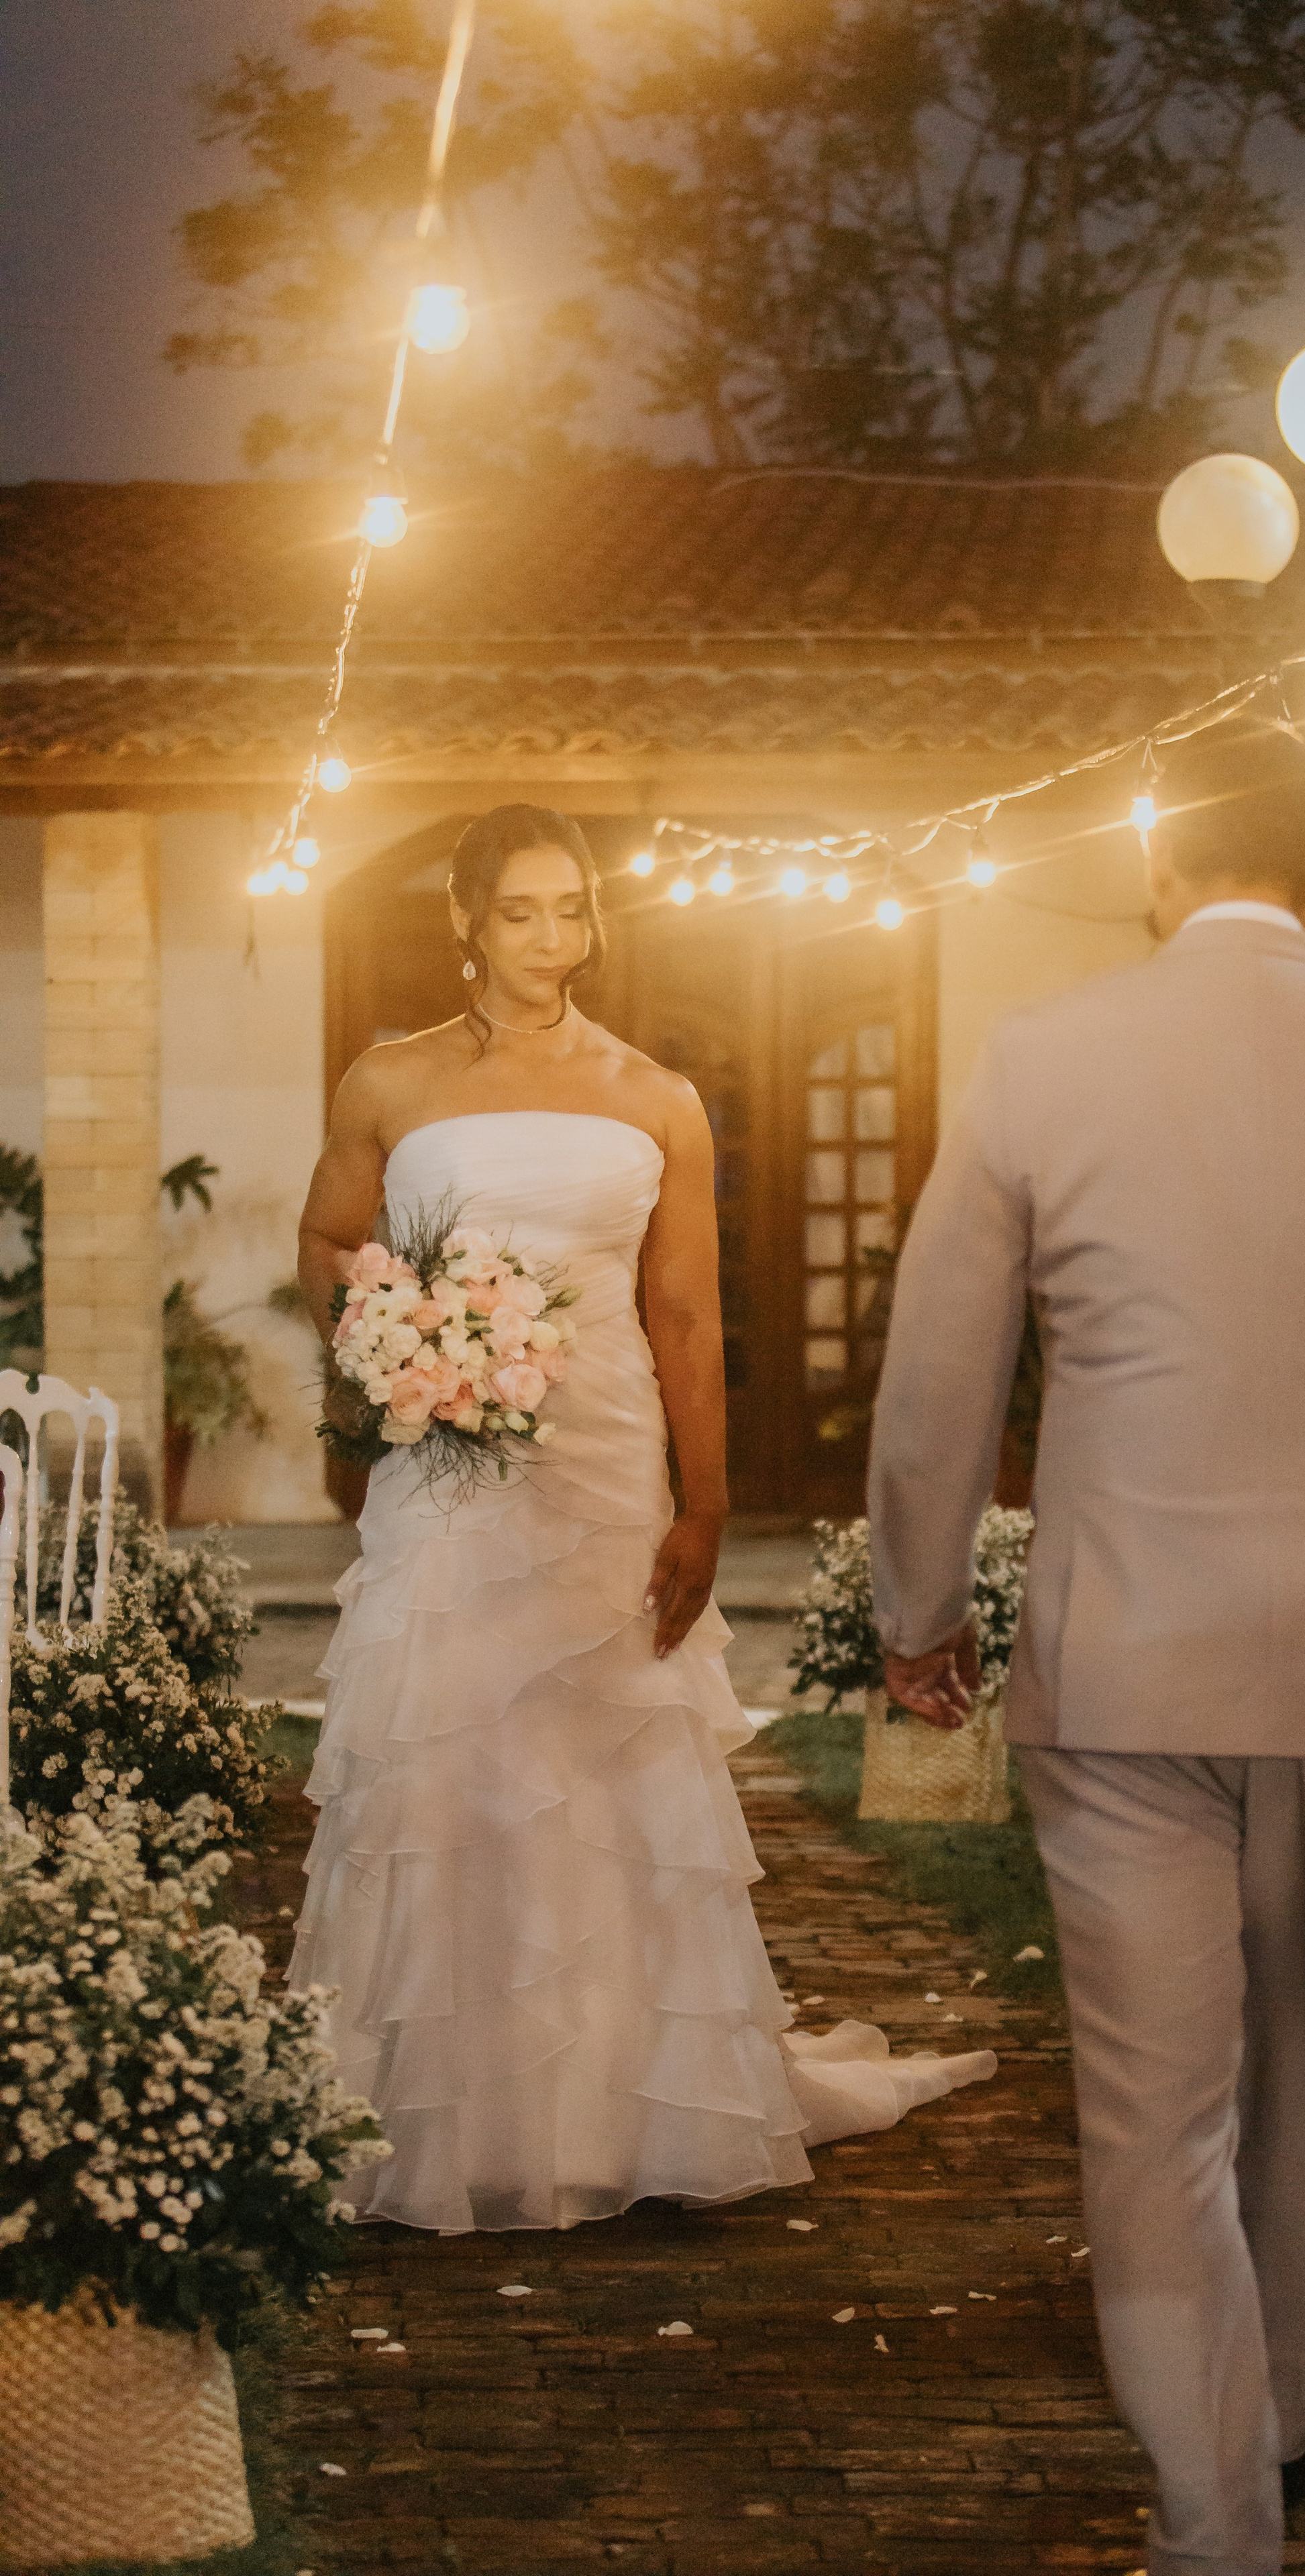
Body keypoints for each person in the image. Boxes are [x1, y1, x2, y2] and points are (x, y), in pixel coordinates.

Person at [866, 720, 1305, 2574]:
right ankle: (1302, 2399)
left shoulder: (1041, 1060)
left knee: (1155, 2108)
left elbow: (940, 1377)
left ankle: (1216, 2517)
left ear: (1158, 867)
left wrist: (917, 1616)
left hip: (1122, 1670)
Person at [290, 802, 994, 2232]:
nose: (551, 938)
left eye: (571, 910)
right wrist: (389, 1341)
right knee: (447, 1750)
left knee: (602, 1755)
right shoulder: (388, 1080)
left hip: (606, 1460)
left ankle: (619, 2089)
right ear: (467, 923)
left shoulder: (656, 1093)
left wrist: (707, 1501)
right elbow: (325, 1235)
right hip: (445, 1467)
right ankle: (437, 2097)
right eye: (521, 912)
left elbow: (681, 1305)